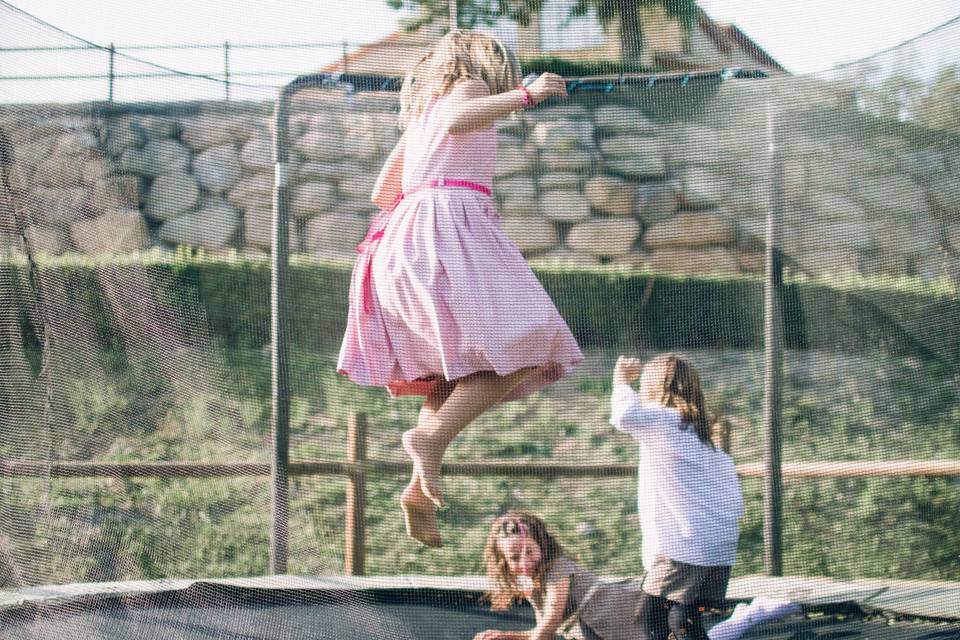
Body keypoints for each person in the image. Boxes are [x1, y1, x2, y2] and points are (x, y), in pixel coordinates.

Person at [337, 31, 583, 548]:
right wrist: (528, 95)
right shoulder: (466, 89)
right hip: (447, 230)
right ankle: (428, 437)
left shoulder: (420, 113)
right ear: (484, 64)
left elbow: (383, 190)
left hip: (401, 240)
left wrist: (441, 173)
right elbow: (459, 121)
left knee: (458, 371)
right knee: (530, 348)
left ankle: (419, 485)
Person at [609, 354, 744, 640]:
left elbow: (624, 417)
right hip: (718, 544)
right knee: (683, 616)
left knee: (650, 618)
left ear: (654, 387)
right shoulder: (700, 430)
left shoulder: (666, 419)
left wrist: (621, 381)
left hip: (688, 546)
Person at [474, 511, 649, 640]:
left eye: (529, 551)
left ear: (541, 546)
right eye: (514, 557)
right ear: (504, 562)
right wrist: (508, 636)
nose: (524, 561)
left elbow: (550, 623)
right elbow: (546, 633)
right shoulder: (532, 586)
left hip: (635, 610)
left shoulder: (557, 569)